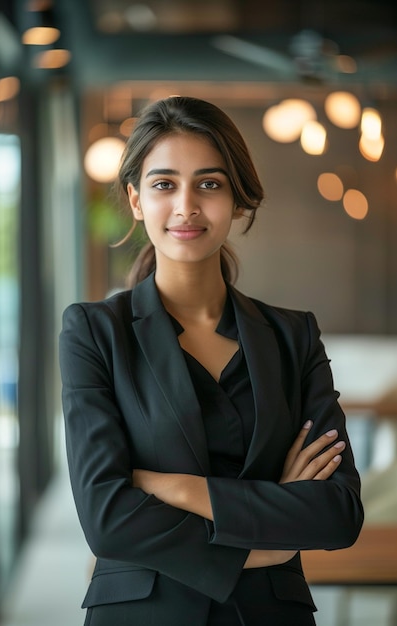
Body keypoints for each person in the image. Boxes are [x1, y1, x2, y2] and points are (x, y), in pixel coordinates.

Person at [59, 96, 364, 626]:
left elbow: (337, 513)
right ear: (135, 199)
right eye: (163, 184)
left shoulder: (294, 337)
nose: (186, 206)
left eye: (209, 183)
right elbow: (106, 518)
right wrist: (264, 532)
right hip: (141, 614)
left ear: (238, 198)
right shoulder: (94, 332)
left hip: (272, 614)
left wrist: (176, 488)